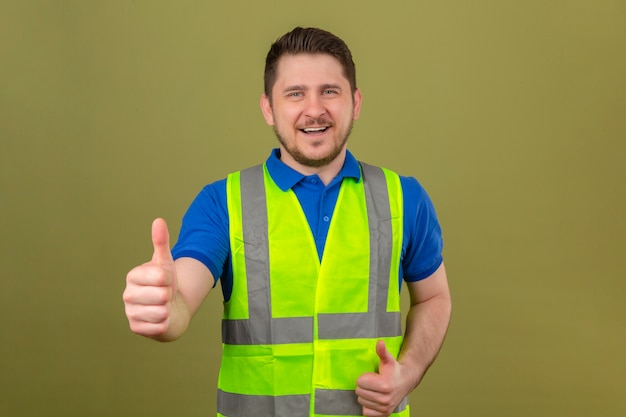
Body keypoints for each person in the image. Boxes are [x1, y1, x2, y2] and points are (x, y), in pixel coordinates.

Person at [123, 27, 451, 417]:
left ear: (356, 102)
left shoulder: (405, 197)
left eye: (330, 91)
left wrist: (408, 373)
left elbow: (434, 298)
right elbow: (181, 299)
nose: (314, 109)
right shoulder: (222, 202)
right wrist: (164, 308)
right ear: (268, 108)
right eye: (295, 94)